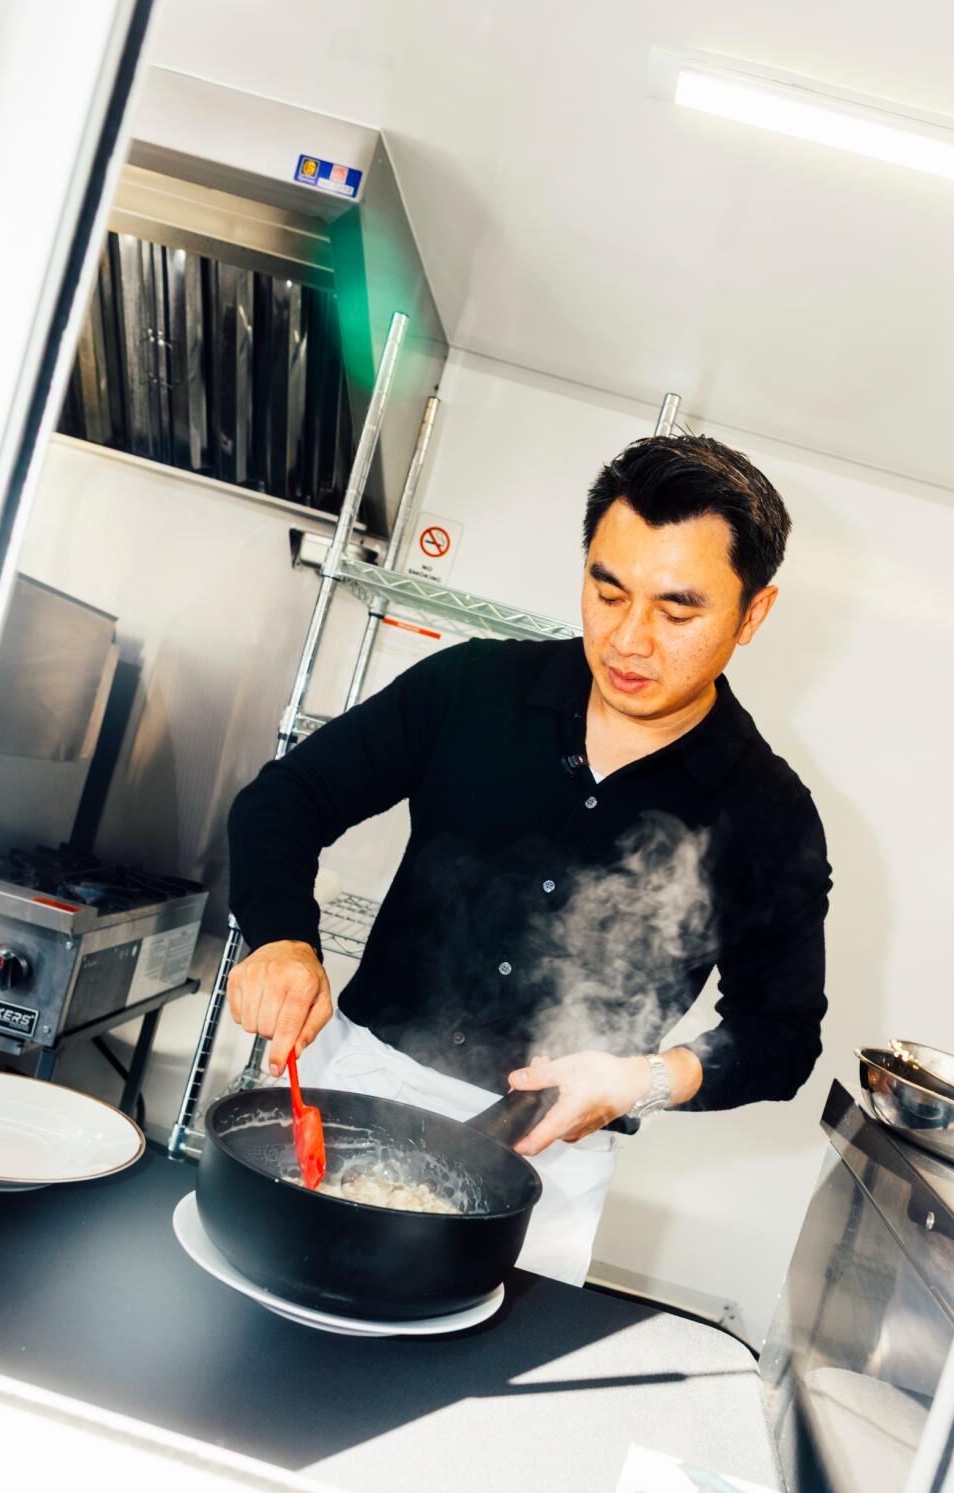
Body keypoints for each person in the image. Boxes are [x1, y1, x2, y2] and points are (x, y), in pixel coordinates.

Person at [225, 434, 831, 1284]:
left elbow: (781, 1037)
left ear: (752, 614)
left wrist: (642, 1081)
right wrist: (282, 937)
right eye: (607, 591)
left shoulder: (770, 814)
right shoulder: (472, 689)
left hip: (548, 1163)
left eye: (677, 612)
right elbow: (284, 802)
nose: (629, 640)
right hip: (356, 1090)